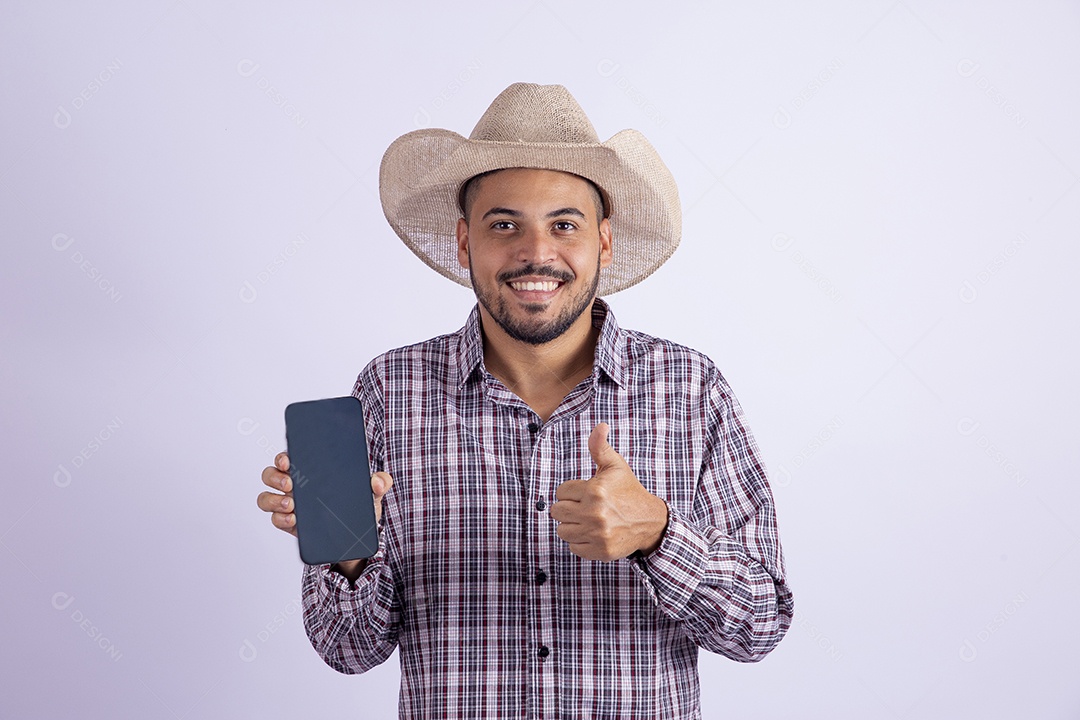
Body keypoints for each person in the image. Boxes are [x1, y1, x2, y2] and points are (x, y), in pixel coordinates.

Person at [258, 82, 794, 719]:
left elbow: (761, 625)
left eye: (563, 225)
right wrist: (347, 553)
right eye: (504, 224)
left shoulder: (690, 388)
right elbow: (348, 650)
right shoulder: (389, 390)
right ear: (464, 243)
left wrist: (658, 535)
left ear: (605, 242)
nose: (536, 253)